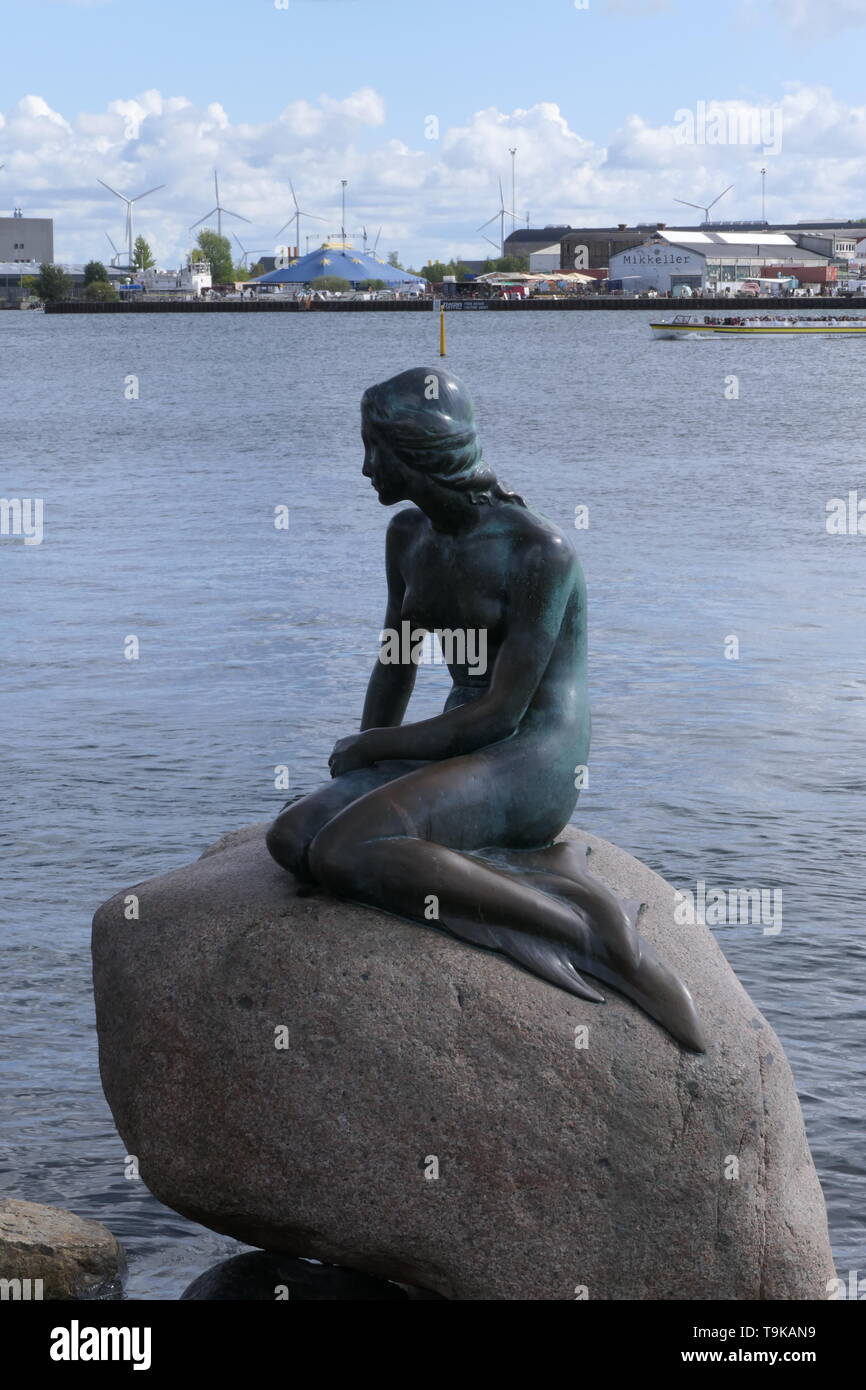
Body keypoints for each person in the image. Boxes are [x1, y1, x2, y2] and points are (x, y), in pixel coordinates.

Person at [265, 367, 705, 1050]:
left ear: (422, 451)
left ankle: (593, 933)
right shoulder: (408, 537)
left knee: (350, 848)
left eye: (376, 449)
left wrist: (378, 752)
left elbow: (503, 712)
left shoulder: (538, 550)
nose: (364, 468)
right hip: (460, 740)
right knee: (294, 840)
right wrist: (361, 758)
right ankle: (513, 874)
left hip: (531, 754)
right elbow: (396, 661)